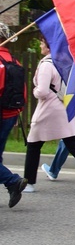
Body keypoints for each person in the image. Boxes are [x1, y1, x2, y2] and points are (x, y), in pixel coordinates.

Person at [23, 36, 75, 195]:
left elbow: (43, 91)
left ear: (48, 45)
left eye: (41, 42)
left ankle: (29, 182)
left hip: (49, 110)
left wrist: (34, 91)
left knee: (33, 144)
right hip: (66, 106)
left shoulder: (46, 64)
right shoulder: (67, 63)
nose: (40, 45)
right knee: (74, 144)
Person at [0, 22, 27, 207]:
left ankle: (12, 181)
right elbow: (22, 93)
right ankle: (12, 184)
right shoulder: (14, 61)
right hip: (10, 115)